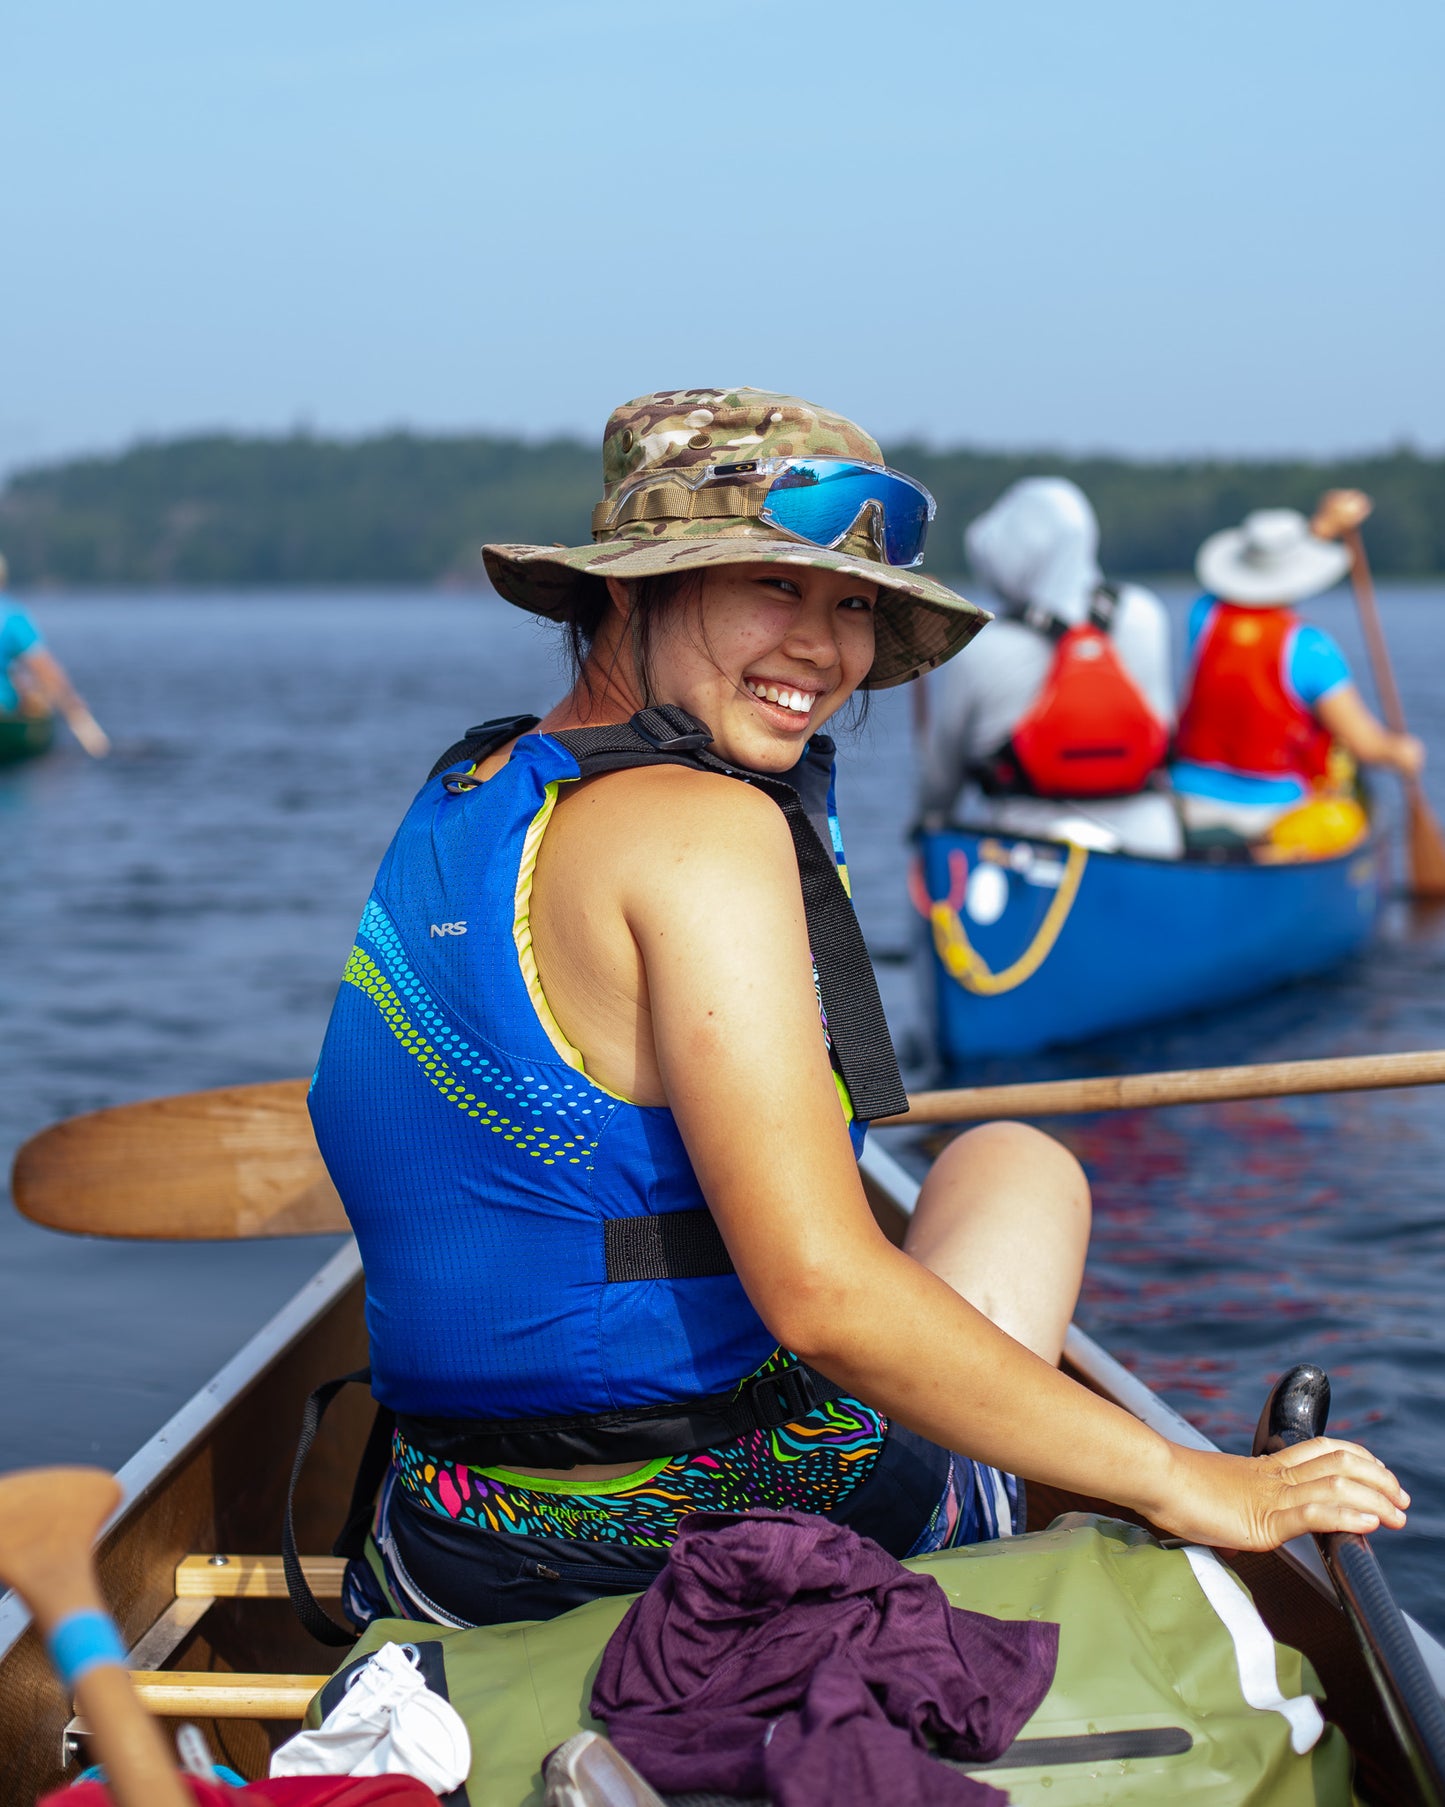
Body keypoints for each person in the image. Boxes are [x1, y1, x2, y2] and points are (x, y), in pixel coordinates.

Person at [308, 389, 1406, 1632]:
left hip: (443, 1542)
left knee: (1001, 1155)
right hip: (685, 1561)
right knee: (1016, 1173)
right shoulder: (705, 827)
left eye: (850, 606)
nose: (824, 654)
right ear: (626, 589)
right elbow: (821, 1297)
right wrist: (1188, 1477)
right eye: (773, 588)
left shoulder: (468, 785)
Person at [916, 478, 1180, 857]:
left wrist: (926, 823)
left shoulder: (983, 646)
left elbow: (942, 780)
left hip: (1027, 851)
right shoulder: (1146, 614)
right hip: (1152, 847)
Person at [1171, 509, 1422, 853]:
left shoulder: (1204, 617)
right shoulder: (1311, 648)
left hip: (1189, 799)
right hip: (1274, 811)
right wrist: (1402, 752)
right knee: (1347, 815)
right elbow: (1366, 745)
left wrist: (1322, 529)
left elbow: (1251, 582)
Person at [0, 552, 111, 756]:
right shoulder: (11, 617)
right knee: (34, 697)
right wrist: (69, 702)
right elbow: (45, 670)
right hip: (4, 710)